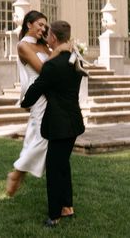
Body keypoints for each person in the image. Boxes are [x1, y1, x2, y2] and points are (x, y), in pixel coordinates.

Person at [21, 20, 86, 228]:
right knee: (62, 165)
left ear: (54, 38)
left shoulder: (52, 65)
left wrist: (25, 102)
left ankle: (54, 215)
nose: (46, 39)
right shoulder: (74, 59)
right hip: (73, 122)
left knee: (54, 169)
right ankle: (67, 207)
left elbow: (37, 88)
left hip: (58, 124)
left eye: (48, 36)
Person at [6, 10, 50, 197]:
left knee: (35, 136)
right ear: (29, 24)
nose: (43, 28)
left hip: (52, 93)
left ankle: (19, 173)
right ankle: (17, 172)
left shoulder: (44, 46)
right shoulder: (23, 46)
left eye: (45, 26)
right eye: (40, 24)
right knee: (42, 138)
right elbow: (43, 69)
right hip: (39, 94)